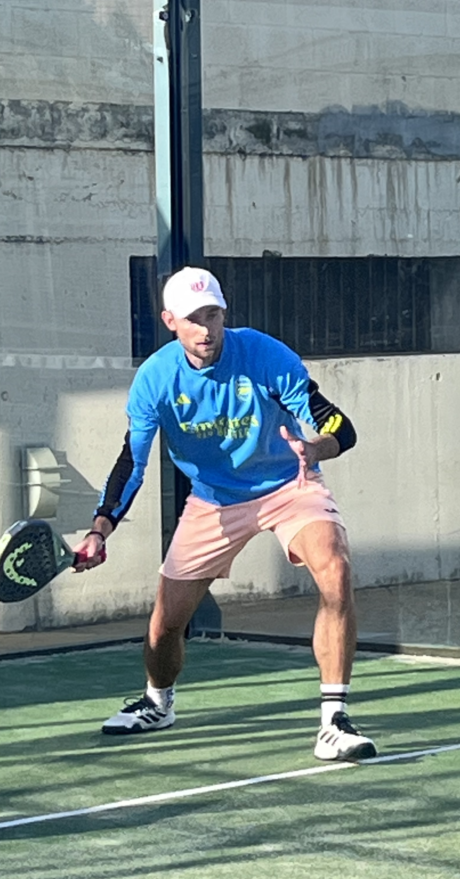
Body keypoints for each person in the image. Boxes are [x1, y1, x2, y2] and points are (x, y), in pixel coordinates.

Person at [72, 266, 377, 762]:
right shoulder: (155, 379)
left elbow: (338, 424)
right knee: (166, 624)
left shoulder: (263, 353)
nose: (207, 328)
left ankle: (334, 721)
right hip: (213, 499)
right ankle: (158, 704)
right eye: (194, 319)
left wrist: (315, 449)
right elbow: (132, 460)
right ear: (171, 321)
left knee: (335, 571)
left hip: (287, 484)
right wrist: (100, 527)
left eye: (213, 314)